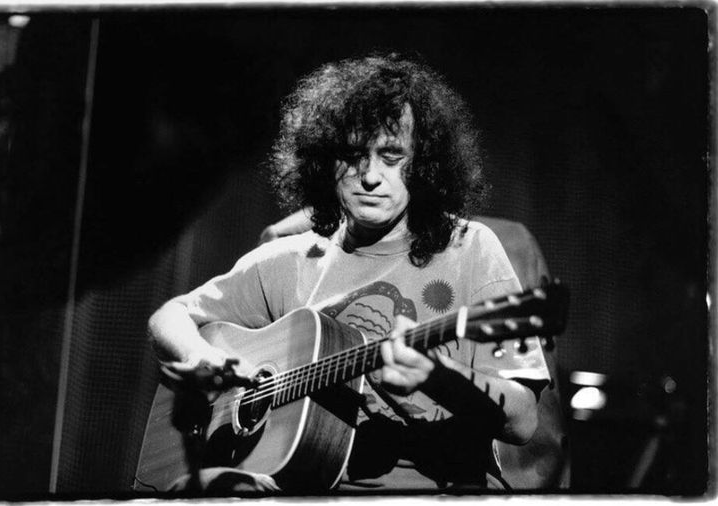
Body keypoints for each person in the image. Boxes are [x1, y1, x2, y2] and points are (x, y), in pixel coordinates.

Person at [148, 53, 551, 493]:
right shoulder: (291, 260)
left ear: (423, 163)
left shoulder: (470, 248)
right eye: (353, 155)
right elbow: (172, 315)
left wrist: (439, 378)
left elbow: (523, 421)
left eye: (391, 155)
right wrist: (197, 357)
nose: (371, 176)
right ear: (325, 161)